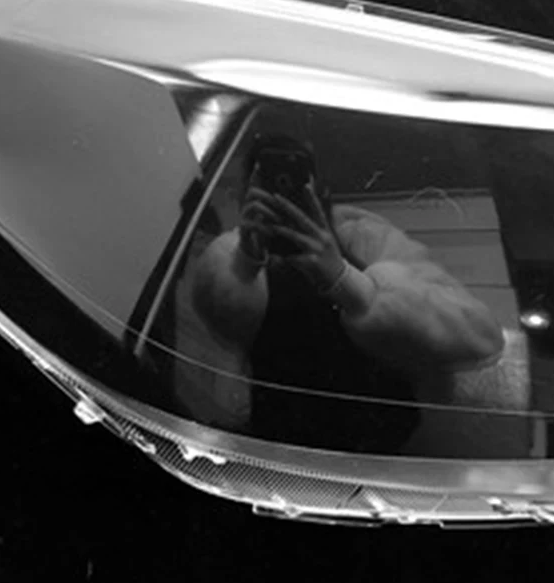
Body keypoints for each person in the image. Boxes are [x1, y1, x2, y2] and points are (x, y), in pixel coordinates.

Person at [172, 134, 507, 452]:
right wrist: (246, 262)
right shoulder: (228, 259)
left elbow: (479, 336)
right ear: (245, 196)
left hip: (387, 448)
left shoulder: (367, 239)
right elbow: (218, 332)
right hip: (274, 450)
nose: (284, 193)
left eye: (298, 181)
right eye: (267, 185)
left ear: (321, 188)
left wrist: (346, 280)